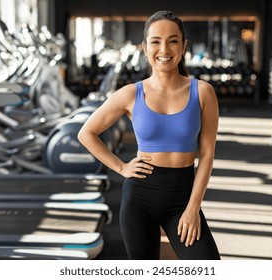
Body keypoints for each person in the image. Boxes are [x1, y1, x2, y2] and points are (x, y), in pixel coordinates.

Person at [78, 10, 220, 260]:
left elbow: (207, 156)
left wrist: (193, 208)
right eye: (155, 41)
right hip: (139, 198)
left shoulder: (203, 92)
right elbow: (86, 133)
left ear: (183, 46)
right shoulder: (131, 94)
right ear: (145, 48)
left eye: (173, 40)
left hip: (183, 197)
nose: (164, 48)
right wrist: (121, 168)